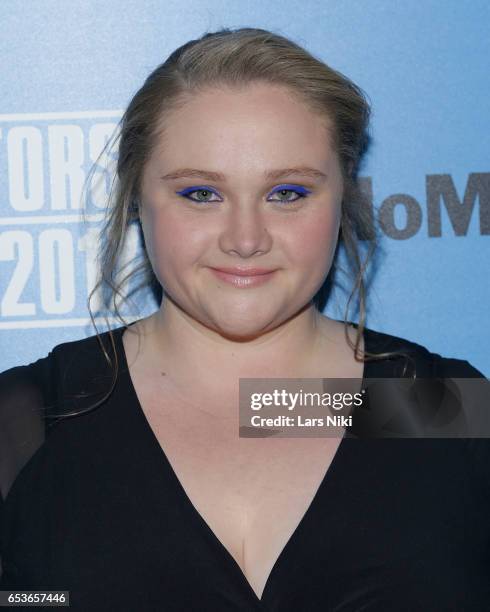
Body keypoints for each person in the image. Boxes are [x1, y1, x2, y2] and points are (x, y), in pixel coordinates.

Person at [0, 27, 488, 611]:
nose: (246, 239)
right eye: (201, 194)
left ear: (343, 199)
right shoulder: (29, 424)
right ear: (136, 198)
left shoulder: (441, 408)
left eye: (286, 192)